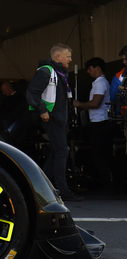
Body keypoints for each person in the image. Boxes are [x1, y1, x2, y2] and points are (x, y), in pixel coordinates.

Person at [26, 44, 82, 201]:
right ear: (58, 57)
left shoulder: (60, 73)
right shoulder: (46, 71)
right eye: (68, 56)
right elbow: (32, 92)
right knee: (62, 151)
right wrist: (43, 110)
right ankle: (61, 189)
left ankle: (43, 188)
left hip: (58, 118)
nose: (71, 60)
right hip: (51, 118)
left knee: (57, 152)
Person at [72, 57, 116, 186]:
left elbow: (95, 103)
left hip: (100, 123)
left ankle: (107, 183)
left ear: (97, 68)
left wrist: (79, 104)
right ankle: (111, 183)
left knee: (98, 154)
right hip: (101, 122)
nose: (88, 72)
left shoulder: (100, 83)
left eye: (90, 69)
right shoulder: (100, 83)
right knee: (105, 153)